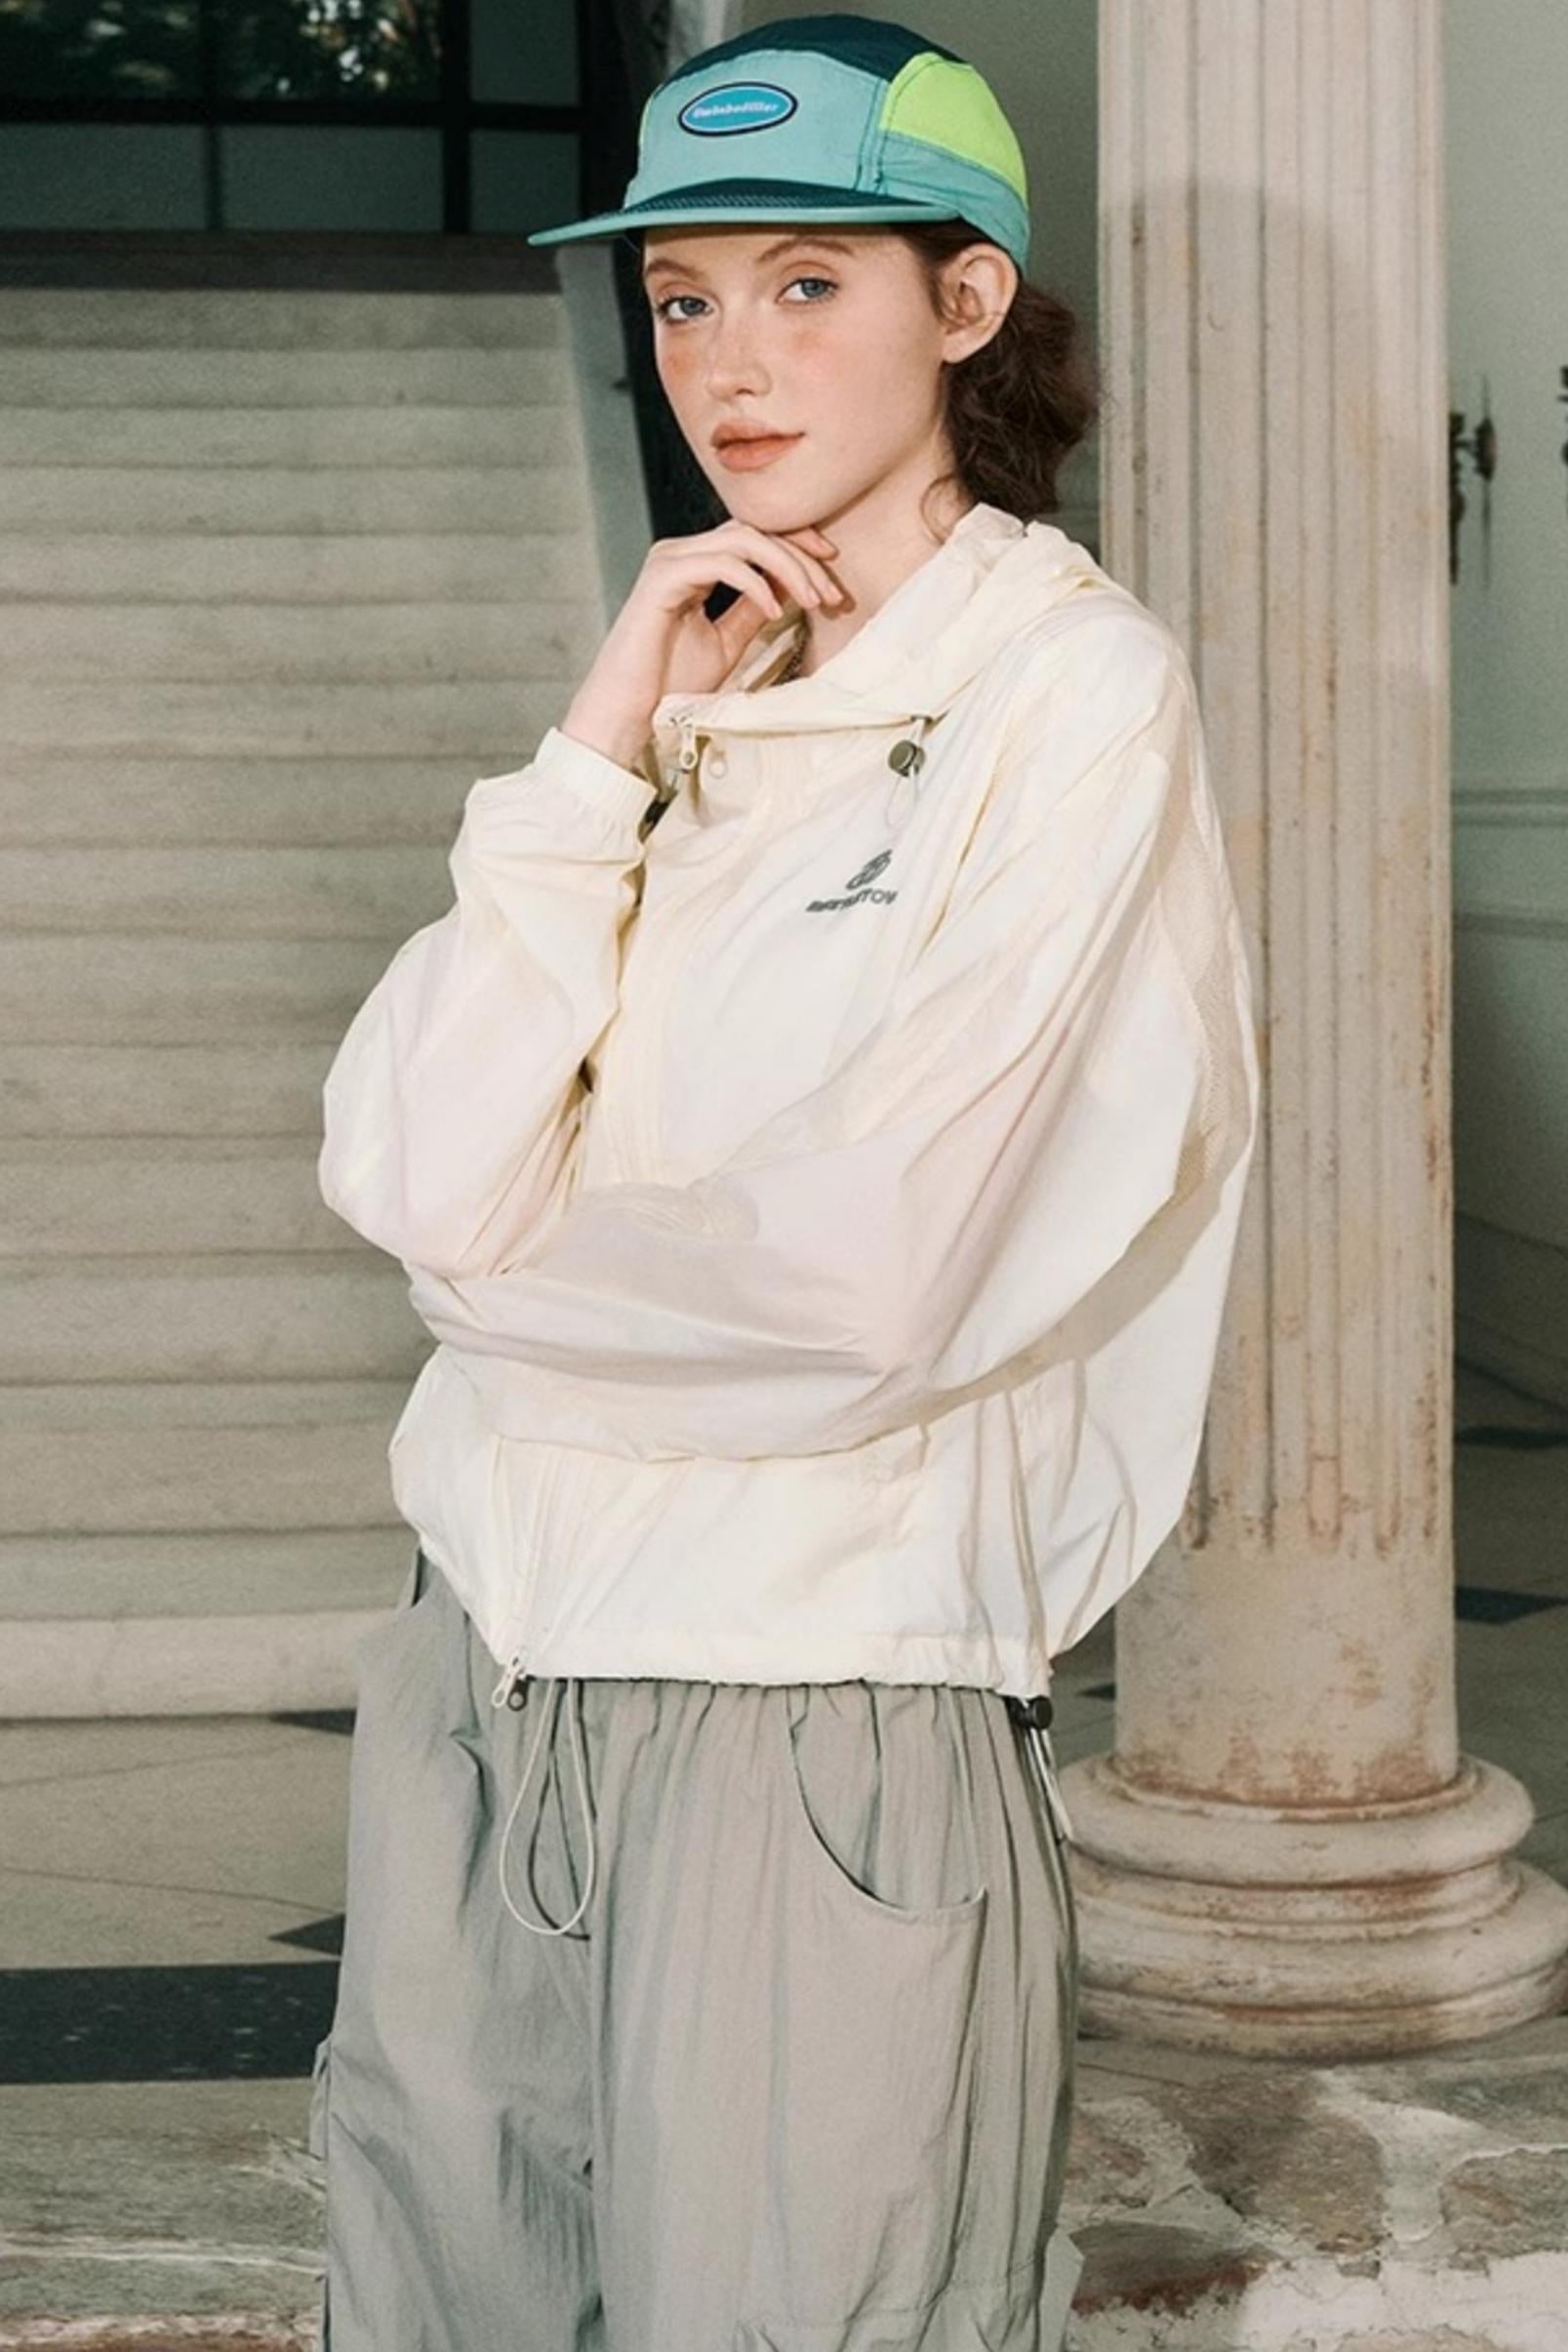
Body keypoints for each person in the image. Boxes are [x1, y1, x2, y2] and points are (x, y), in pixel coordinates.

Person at [306, 14, 1261, 2351]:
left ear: (969, 301)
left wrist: (489, 1281)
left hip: (817, 1688)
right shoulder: (698, 682)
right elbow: (403, 1154)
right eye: (681, 298)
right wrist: (597, 742)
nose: (726, 361)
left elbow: (864, 1283)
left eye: (806, 284)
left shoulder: (1073, 694)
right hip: (486, 1662)